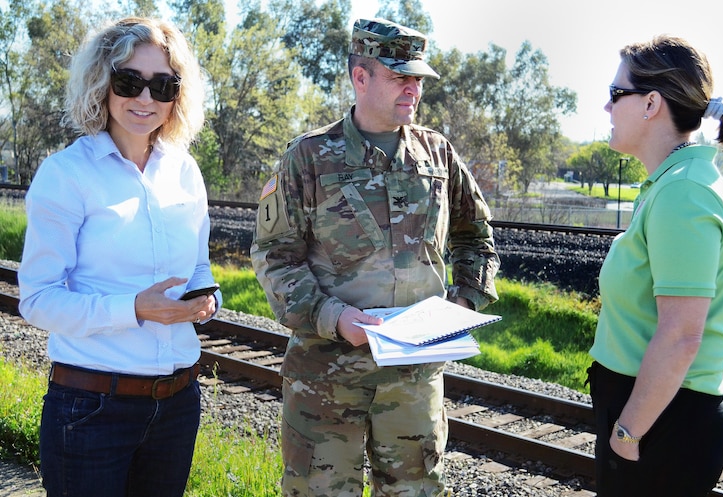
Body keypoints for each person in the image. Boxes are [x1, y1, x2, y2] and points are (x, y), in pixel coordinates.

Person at [251, 17, 499, 497]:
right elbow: (275, 255)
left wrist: (463, 304)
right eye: (399, 76)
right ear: (359, 77)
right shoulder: (309, 158)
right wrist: (334, 316)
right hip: (326, 379)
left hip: (413, 380)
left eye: (418, 79)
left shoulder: (437, 156)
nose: (413, 89)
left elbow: (477, 234)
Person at [17, 17, 221, 497]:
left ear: (178, 97)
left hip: (176, 406)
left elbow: (197, 265)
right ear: (102, 86)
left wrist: (205, 298)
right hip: (91, 409)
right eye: (129, 81)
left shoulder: (186, 172)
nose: (145, 99)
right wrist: (134, 308)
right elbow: (38, 299)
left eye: (163, 86)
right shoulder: (65, 174)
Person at [587, 35, 723, 497]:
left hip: (662, 421)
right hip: (659, 412)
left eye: (617, 94)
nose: (606, 106)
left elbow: (681, 335)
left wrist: (627, 432)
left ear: (651, 103)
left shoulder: (683, 193)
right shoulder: (673, 184)